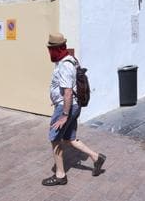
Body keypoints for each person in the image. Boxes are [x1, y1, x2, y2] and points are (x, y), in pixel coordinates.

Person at [42, 32, 106, 186]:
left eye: (50, 48)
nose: (49, 51)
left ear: (55, 49)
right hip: (71, 105)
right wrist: (58, 98)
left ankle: (60, 175)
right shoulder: (70, 59)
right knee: (69, 138)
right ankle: (96, 157)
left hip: (67, 108)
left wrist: (64, 113)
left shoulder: (64, 65)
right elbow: (67, 90)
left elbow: (69, 91)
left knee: (55, 139)